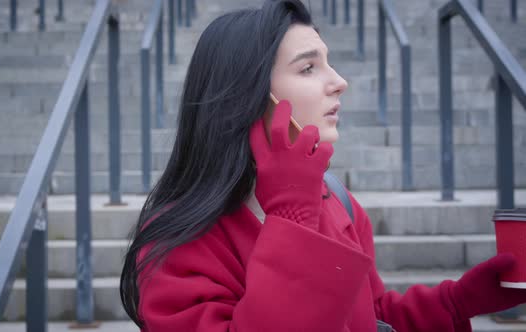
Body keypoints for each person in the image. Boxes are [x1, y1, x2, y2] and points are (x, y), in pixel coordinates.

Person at [120, 1, 526, 330]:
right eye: (308, 67)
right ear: (248, 96)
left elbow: (368, 315)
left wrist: (457, 302)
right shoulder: (176, 243)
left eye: (328, 62)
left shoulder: (338, 203)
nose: (339, 81)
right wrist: (292, 216)